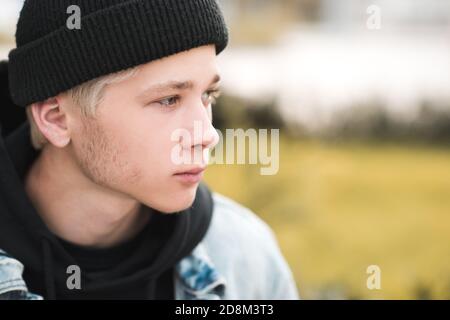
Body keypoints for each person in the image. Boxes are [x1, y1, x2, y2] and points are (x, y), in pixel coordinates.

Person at [0, 0, 299, 300]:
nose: (207, 135)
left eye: (208, 94)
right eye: (169, 100)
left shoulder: (246, 258)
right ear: (57, 118)